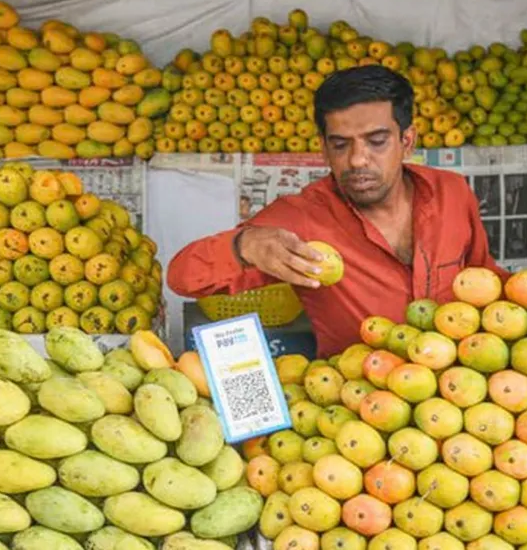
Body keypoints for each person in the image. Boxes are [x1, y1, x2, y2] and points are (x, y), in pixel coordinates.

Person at [167, 64, 508, 358]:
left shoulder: (451, 192)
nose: (358, 160)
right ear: (324, 149)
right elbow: (183, 276)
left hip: (463, 397)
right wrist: (245, 247)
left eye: (377, 141)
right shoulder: (300, 218)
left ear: (407, 141)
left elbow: (485, 279)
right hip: (355, 412)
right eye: (341, 145)